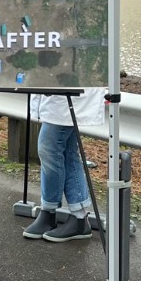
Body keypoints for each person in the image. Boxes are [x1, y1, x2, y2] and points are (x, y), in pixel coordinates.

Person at [23, 88, 105, 242]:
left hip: (69, 95)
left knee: (49, 148)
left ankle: (50, 210)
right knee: (68, 153)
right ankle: (78, 219)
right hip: (60, 98)